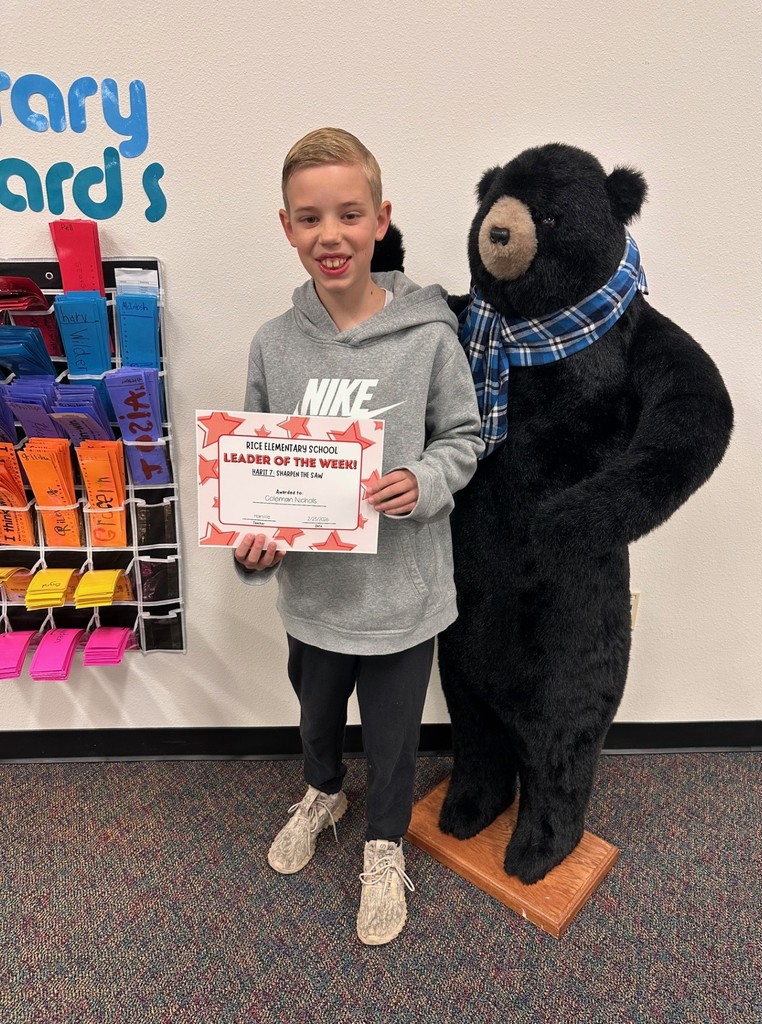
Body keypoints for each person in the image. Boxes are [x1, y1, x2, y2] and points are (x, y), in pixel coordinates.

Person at [234, 127, 483, 946]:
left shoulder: (428, 334)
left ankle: (383, 843)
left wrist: (426, 479)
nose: (329, 234)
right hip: (314, 595)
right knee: (316, 724)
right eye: (310, 218)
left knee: (395, 739)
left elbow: (464, 437)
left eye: (348, 214)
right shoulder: (274, 342)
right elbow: (256, 466)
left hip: (404, 594)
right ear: (286, 227)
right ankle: (322, 791)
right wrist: (254, 540)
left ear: (381, 218)